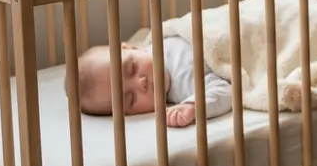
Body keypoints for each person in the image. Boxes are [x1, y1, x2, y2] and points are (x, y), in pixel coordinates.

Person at [69, 36, 232, 128]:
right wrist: (192, 106)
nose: (141, 83)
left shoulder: (155, 39)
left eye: (132, 68)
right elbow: (225, 91)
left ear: (131, 48)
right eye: (130, 98)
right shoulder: (183, 85)